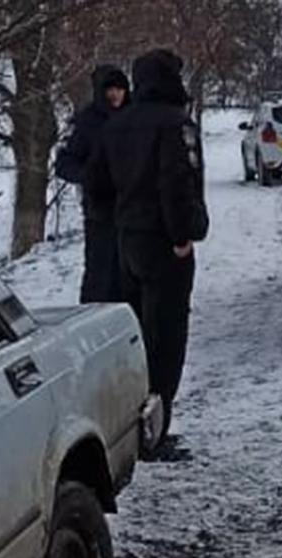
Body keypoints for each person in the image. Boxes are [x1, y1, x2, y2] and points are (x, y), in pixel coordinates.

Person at [86, 49, 209, 443]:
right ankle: (156, 431)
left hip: (127, 243)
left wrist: (118, 223)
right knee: (166, 340)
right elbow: (176, 186)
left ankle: (127, 427)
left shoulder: (117, 125)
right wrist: (181, 237)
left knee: (135, 336)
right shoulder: (177, 125)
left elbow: (95, 186)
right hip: (164, 246)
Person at [55, 64, 131, 303]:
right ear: (100, 91)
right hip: (101, 212)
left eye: (120, 89)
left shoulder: (136, 116)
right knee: (101, 275)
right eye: (110, 90)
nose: (116, 95)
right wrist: (91, 175)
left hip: (135, 209)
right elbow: (64, 163)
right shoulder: (85, 122)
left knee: (133, 272)